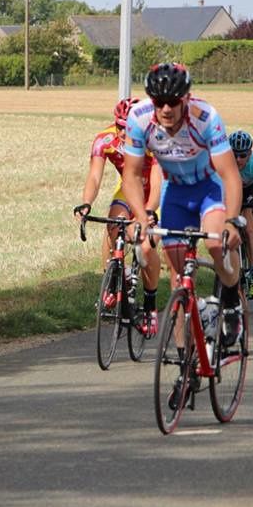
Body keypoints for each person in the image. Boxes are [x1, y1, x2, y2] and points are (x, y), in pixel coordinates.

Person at [122, 62, 245, 368]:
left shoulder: (206, 118)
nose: (165, 109)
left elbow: (230, 175)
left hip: (208, 190)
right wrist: (140, 216)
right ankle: (184, 358)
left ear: (186, 98)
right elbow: (132, 175)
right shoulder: (138, 119)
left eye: (173, 102)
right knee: (179, 280)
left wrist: (231, 220)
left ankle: (230, 300)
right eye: (158, 102)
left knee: (217, 244)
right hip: (175, 194)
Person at [74, 97, 163, 335]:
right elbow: (94, 176)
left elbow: (156, 184)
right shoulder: (105, 139)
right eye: (120, 126)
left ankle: (151, 306)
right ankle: (115, 278)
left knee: (144, 248)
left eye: (129, 127)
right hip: (128, 189)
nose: (124, 133)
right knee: (113, 223)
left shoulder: (154, 140)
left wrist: (149, 211)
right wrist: (86, 203)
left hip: (153, 194)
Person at [230, 130, 253, 299]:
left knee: (249, 228)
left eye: (242, 155)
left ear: (250, 153)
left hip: (251, 191)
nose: (238, 160)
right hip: (232, 189)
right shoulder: (223, 162)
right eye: (234, 155)